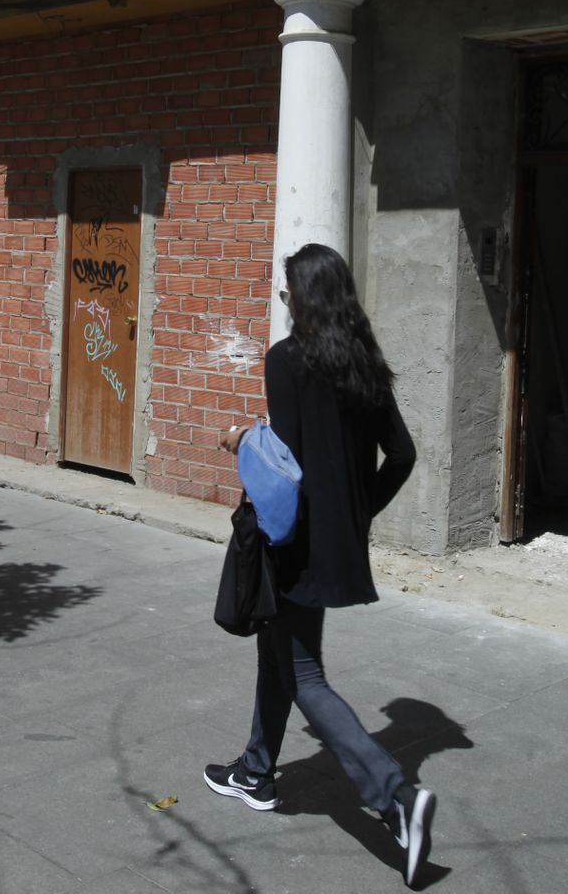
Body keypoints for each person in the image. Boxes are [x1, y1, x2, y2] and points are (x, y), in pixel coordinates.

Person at [204, 242, 433, 887]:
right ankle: (256, 771)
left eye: (287, 294)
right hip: (337, 544)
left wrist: (242, 438)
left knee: (303, 673)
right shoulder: (365, 365)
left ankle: (394, 796)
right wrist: (359, 515)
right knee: (279, 653)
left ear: (303, 298)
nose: (285, 305)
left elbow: (285, 462)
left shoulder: (287, 360)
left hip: (292, 542)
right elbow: (403, 455)